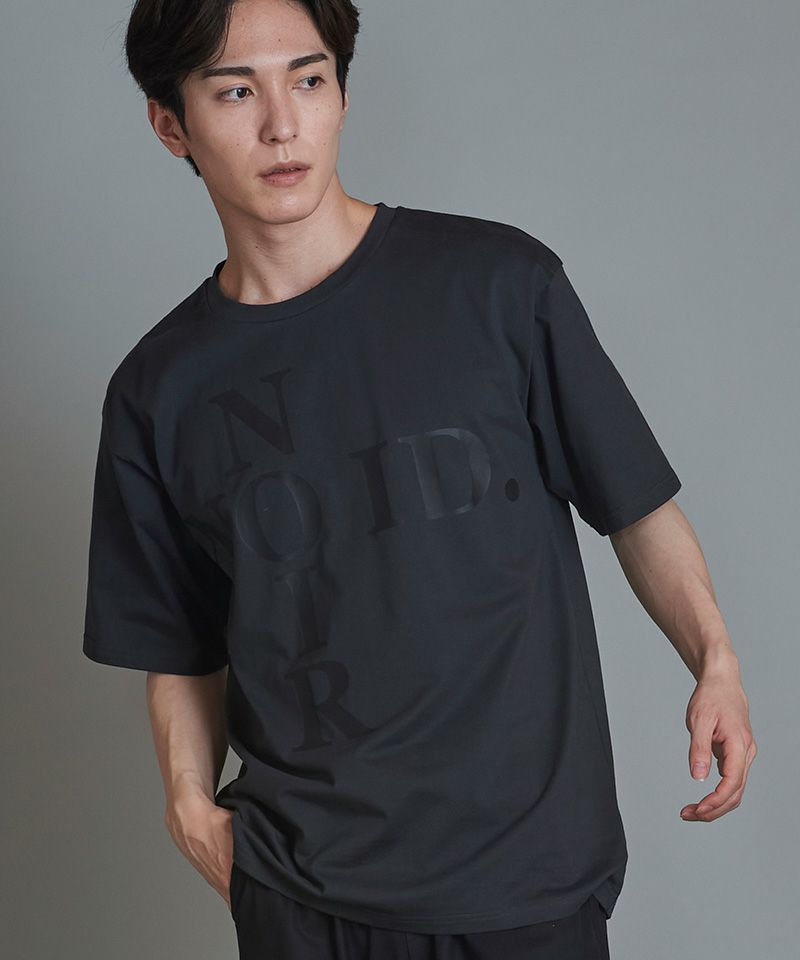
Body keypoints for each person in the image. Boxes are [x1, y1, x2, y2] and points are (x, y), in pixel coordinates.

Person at [82, 1, 757, 957]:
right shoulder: (159, 388)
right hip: (301, 897)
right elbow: (178, 645)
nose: (282, 124)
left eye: (309, 79)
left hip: (525, 883)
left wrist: (715, 659)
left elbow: (635, 503)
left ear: (341, 94)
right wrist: (189, 803)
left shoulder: (498, 284)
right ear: (169, 124)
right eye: (235, 92)